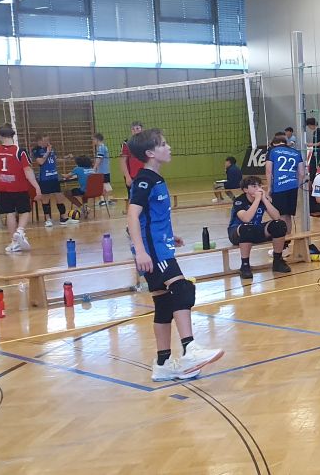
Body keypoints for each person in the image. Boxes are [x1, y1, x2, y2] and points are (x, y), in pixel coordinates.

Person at [126, 128, 224, 382]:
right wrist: (141, 251)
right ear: (150, 153)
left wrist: (170, 236)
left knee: (164, 304)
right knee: (182, 289)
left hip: (159, 245)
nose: (168, 147)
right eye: (163, 144)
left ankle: (163, 363)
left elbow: (152, 217)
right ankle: (190, 349)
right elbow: (132, 216)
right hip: (153, 251)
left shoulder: (155, 178)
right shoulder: (145, 180)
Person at [228, 176, 291, 279]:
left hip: (255, 229)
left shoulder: (262, 200)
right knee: (246, 228)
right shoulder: (239, 201)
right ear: (245, 189)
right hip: (237, 233)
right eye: (254, 186)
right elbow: (246, 219)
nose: (258, 189)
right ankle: (245, 265)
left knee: (279, 225)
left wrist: (264, 199)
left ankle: (277, 261)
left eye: (259, 186)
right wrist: (257, 200)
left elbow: (276, 216)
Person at [265, 134, 304, 239]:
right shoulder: (296, 152)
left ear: (274, 143)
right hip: (293, 186)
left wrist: (269, 188)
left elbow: (268, 171)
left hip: (279, 186)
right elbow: (301, 173)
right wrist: (297, 185)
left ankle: (282, 242)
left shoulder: (272, 151)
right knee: (288, 215)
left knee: (280, 215)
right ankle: (287, 241)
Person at [32, 134, 70, 227]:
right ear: (39, 141)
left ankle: (63, 217)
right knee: (45, 199)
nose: (47, 142)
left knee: (59, 197)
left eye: (48, 140)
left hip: (54, 177)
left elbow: (55, 159)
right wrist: (47, 152)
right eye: (45, 140)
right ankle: (48, 219)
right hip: (45, 178)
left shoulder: (50, 149)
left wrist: (66, 158)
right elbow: (41, 162)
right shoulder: (36, 150)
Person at [121, 121, 144, 195]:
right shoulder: (126, 144)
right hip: (133, 177)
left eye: (137, 128)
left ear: (142, 129)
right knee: (133, 198)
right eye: (133, 129)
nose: (135, 131)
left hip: (146, 175)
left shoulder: (147, 142)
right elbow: (123, 162)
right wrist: (127, 177)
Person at [93, 133, 112, 206]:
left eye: (94, 139)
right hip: (104, 170)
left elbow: (99, 158)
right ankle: (105, 200)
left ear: (97, 139)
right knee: (103, 185)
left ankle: (106, 200)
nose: (93, 141)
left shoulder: (101, 147)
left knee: (106, 186)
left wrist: (94, 168)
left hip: (103, 171)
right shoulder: (103, 147)